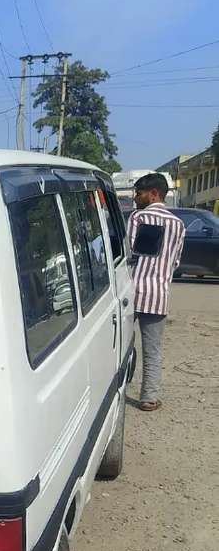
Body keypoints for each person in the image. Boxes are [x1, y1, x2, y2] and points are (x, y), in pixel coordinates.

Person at [127, 173, 185, 412]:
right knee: (153, 349)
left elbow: (128, 252)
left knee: (121, 345)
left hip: (130, 293)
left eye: (138, 193)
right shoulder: (178, 224)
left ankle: (116, 387)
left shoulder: (138, 217)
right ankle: (149, 398)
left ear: (154, 194)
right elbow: (176, 262)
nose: (135, 198)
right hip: (158, 295)